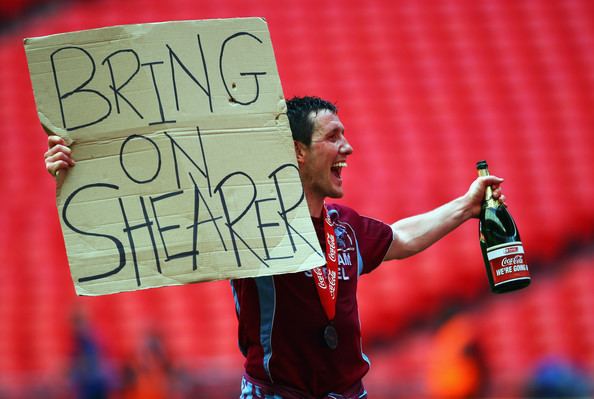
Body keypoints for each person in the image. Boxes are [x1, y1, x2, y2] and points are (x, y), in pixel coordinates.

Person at [44, 96, 505, 399]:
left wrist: (466, 208)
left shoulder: (344, 227)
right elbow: (148, 222)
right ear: (298, 152)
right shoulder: (248, 224)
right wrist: (76, 174)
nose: (349, 148)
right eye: (333, 137)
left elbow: (401, 237)